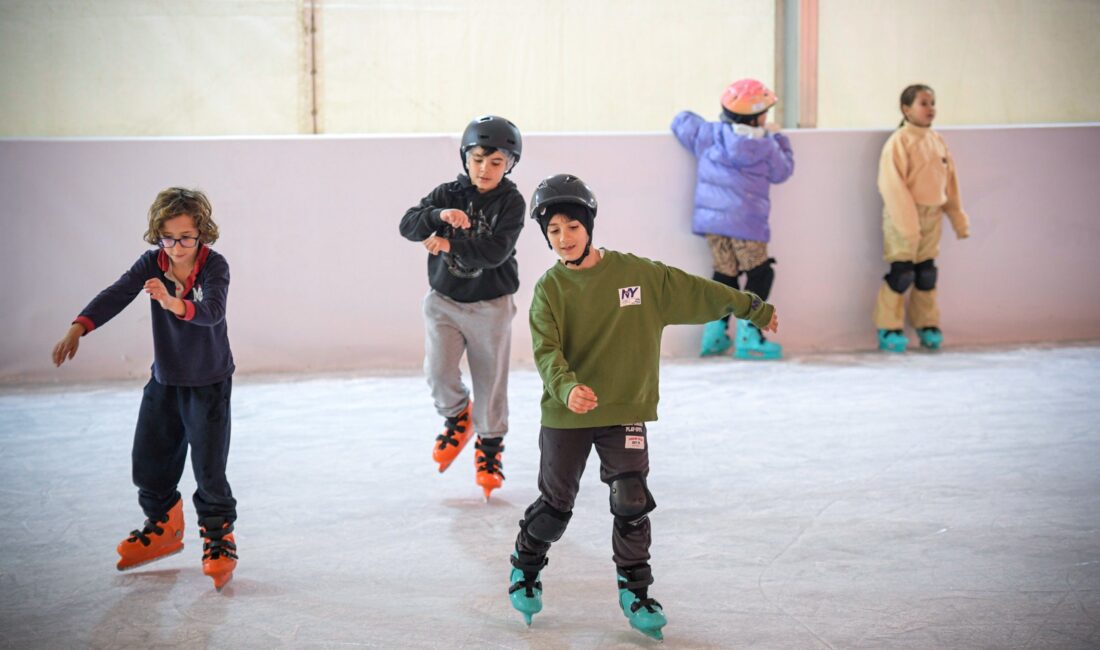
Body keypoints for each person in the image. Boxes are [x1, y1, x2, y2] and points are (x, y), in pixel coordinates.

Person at [507, 174, 778, 640]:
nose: (564, 238)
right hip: (568, 414)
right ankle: (525, 567)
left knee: (631, 500)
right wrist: (567, 389)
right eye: (553, 230)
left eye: (573, 227)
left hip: (624, 409)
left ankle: (636, 591)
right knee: (555, 508)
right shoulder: (550, 289)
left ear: (589, 226)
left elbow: (698, 292)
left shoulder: (637, 275)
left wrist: (751, 306)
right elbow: (546, 351)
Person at [51, 187, 238, 590]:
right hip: (165, 379)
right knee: (148, 461)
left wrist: (173, 302)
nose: (176, 247)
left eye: (185, 238)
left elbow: (212, 312)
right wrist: (78, 327)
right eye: (167, 238)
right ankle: (164, 526)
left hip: (208, 382)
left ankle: (219, 537)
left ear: (201, 233)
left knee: (209, 469)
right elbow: (118, 293)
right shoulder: (152, 262)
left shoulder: (214, 266)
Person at [398, 115, 525, 500]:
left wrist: (449, 244)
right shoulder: (448, 193)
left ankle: (489, 448)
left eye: (496, 162)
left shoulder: (511, 202)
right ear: (465, 158)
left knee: (490, 382)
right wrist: (437, 217)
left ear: (510, 164)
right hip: (444, 302)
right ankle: (458, 417)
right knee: (438, 371)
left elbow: (496, 251)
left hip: (491, 306)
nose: (485, 169)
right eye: (478, 159)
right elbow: (408, 225)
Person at [671, 78, 794, 359]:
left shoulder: (710, 134)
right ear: (756, 118)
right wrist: (779, 138)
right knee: (760, 273)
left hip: (713, 223)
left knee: (725, 274)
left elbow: (681, 121)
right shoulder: (766, 146)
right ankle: (750, 334)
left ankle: (714, 334)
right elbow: (783, 171)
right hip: (746, 224)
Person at [874, 84, 970, 352]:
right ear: (906, 109)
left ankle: (926, 323)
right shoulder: (899, 142)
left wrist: (958, 219)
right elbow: (892, 186)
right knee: (902, 273)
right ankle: (888, 327)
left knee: (926, 273)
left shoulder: (936, 140)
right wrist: (908, 225)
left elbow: (950, 183)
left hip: (932, 216)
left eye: (932, 103)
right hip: (903, 216)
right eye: (923, 103)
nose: (930, 109)